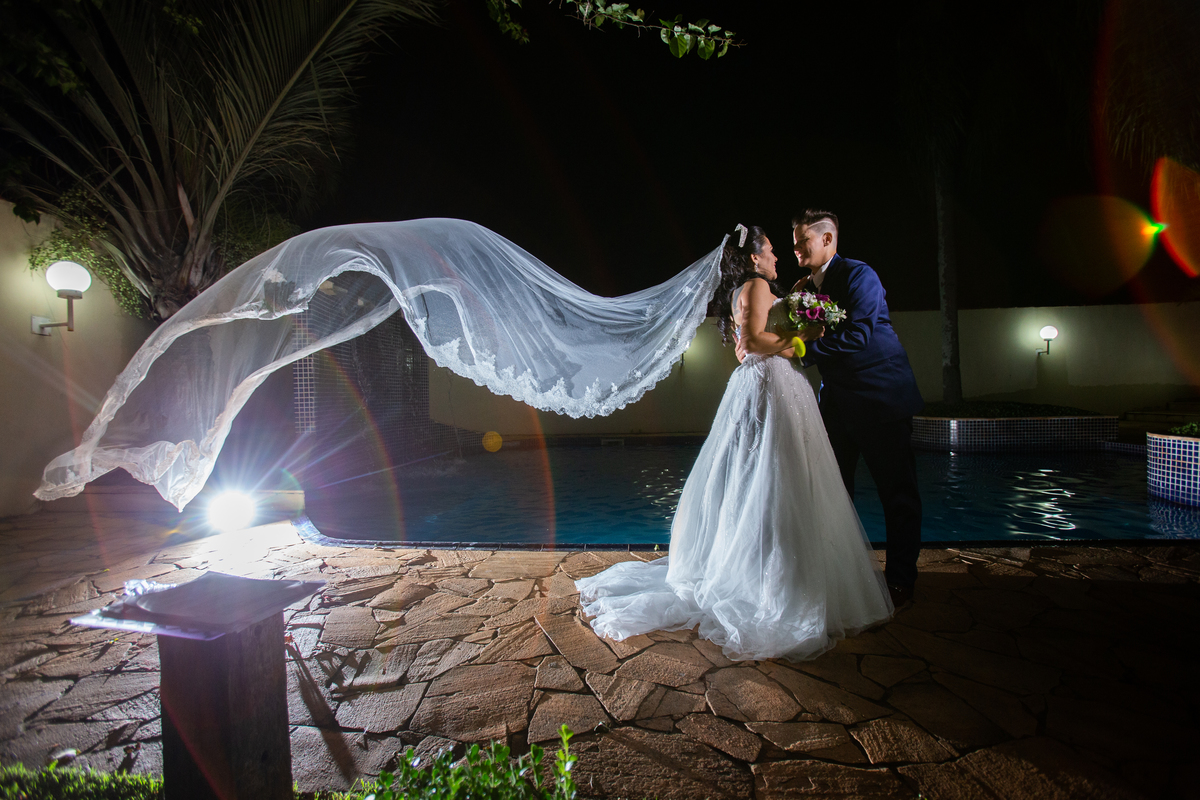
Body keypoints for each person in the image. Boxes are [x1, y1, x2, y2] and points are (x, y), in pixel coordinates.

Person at [576, 225, 894, 662]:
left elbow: (747, 341)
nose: (778, 257)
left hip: (761, 383)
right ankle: (777, 584)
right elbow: (753, 341)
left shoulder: (745, 290)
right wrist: (803, 339)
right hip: (771, 383)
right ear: (754, 258)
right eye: (772, 251)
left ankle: (764, 569)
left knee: (759, 475)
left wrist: (796, 307)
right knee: (776, 476)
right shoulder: (757, 286)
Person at [787, 209, 924, 608]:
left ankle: (901, 581)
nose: (796, 249)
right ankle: (842, 577)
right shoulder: (804, 287)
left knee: (897, 496)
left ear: (827, 239)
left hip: (881, 399)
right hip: (836, 405)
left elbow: (860, 334)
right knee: (835, 494)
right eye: (794, 243)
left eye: (802, 241)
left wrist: (802, 351)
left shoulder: (860, 275)